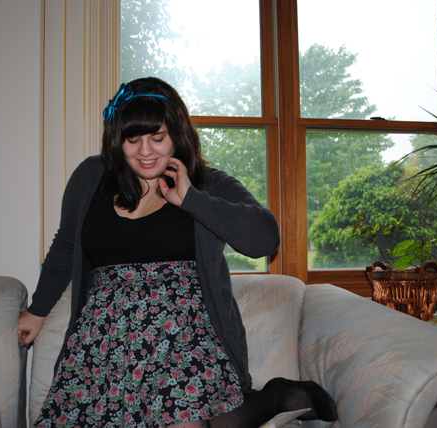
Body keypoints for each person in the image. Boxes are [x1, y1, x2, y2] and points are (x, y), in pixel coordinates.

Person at [18, 77, 338, 428]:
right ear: (117, 139)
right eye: (133, 139)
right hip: (104, 339)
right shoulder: (90, 177)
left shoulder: (206, 183)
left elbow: (265, 239)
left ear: (177, 135)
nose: (145, 151)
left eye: (157, 138)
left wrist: (192, 200)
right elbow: (66, 245)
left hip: (184, 334)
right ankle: (269, 400)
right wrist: (37, 310)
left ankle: (275, 396)